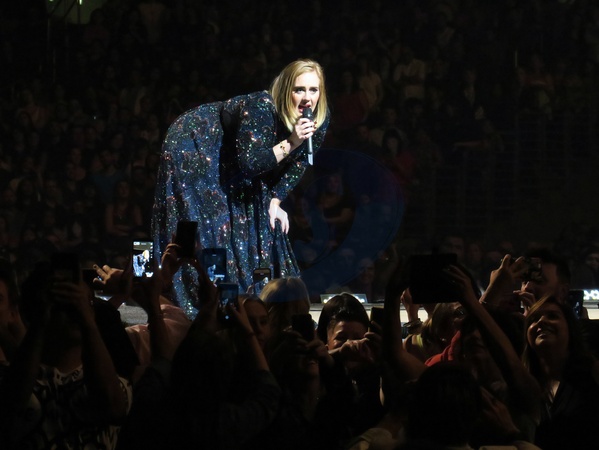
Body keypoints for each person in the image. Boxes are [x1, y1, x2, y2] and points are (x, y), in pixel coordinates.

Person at [152, 59, 330, 317]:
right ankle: (197, 302)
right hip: (199, 140)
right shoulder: (262, 106)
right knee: (212, 222)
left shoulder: (319, 117)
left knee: (256, 212)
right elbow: (250, 164)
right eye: (299, 89)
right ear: (286, 90)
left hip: (238, 153)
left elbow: (301, 162)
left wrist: (276, 199)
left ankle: (246, 302)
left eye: (313, 90)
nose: (307, 98)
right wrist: (292, 141)